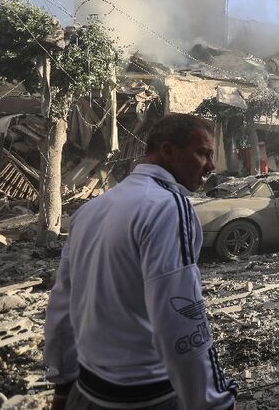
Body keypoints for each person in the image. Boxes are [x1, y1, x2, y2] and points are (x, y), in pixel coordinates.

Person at [44, 113, 238, 409]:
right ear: (169, 151)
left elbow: (61, 306)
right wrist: (214, 402)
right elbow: (181, 318)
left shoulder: (90, 210)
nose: (211, 166)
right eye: (203, 153)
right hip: (148, 397)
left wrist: (62, 387)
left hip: (86, 392)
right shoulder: (169, 207)